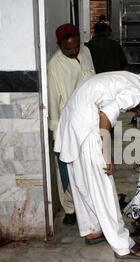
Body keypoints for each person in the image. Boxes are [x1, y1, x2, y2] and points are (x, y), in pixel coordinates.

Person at [54, 69, 140, 259]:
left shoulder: (133, 79)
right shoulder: (137, 90)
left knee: (84, 182)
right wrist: (107, 153)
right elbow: (105, 116)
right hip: (88, 127)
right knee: (103, 186)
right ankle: (123, 245)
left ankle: (92, 229)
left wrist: (137, 110)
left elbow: (114, 97)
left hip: (73, 121)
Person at [48, 23, 95, 225]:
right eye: (69, 49)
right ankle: (70, 208)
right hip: (67, 125)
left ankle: (90, 203)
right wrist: (55, 133)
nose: (74, 51)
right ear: (59, 45)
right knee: (65, 168)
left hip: (89, 119)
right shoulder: (54, 65)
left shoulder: (86, 52)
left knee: (89, 165)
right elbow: (52, 101)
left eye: (76, 46)